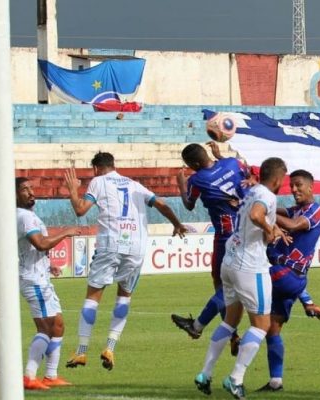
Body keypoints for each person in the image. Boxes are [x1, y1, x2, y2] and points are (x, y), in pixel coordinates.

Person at [63, 151, 187, 370]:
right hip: (136, 248)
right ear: (114, 164)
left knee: (93, 297)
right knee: (124, 297)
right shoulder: (134, 184)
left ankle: (82, 352)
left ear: (96, 168)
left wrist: (73, 191)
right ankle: (110, 348)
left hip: (111, 244)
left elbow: (80, 210)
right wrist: (176, 223)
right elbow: (162, 205)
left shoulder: (98, 181)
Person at [193, 157, 289, 400]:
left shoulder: (252, 190)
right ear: (278, 179)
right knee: (262, 325)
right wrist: (270, 230)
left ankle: (205, 373)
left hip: (230, 261)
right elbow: (257, 216)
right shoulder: (266, 195)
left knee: (230, 321)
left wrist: (272, 227)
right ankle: (235, 378)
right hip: (250, 266)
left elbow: (253, 216)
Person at [170, 142, 250, 352]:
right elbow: (244, 179)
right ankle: (232, 335)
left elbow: (189, 204)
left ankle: (201, 326)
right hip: (247, 229)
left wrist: (181, 184)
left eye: (189, 165)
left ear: (194, 163)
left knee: (222, 286)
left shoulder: (197, 180)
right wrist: (221, 157)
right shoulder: (233, 163)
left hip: (226, 236)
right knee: (226, 285)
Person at [256, 169, 320, 392]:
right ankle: (275, 381)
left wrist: (263, 214)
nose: (294, 189)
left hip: (285, 274)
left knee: (239, 283)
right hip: (291, 278)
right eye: (292, 185)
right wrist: (261, 203)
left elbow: (294, 225)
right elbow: (279, 211)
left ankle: (214, 327)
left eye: (298, 185)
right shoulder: (295, 210)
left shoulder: (316, 211)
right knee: (273, 329)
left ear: (311, 187)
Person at [16, 177, 81, 390]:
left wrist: (48, 263)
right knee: (45, 328)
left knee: (58, 325)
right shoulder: (24, 216)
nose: (31, 192)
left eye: (31, 188)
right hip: (33, 279)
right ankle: (29, 376)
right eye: (25, 189)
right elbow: (40, 243)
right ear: (14, 195)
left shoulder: (27, 215)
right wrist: (65, 232)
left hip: (41, 277)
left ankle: (51, 375)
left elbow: (34, 249)